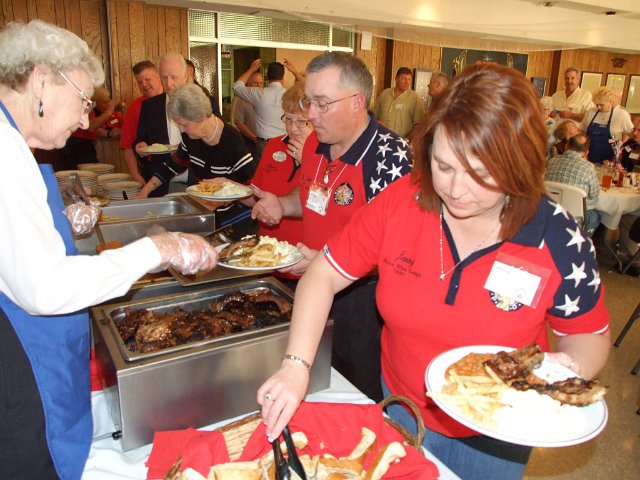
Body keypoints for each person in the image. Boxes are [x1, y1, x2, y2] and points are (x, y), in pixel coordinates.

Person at [257, 64, 610, 480]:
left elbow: (587, 333)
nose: (456, 190)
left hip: (498, 427)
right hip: (402, 406)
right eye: (444, 167)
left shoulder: (557, 236)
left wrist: (568, 367)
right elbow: (323, 274)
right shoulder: (403, 201)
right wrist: (296, 366)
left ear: (519, 164)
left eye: (481, 175)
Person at [0, 20, 218, 480]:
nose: (86, 120)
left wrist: (58, 220)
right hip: (20, 361)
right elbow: (45, 288)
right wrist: (156, 247)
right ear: (41, 80)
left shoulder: (14, 145)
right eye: (83, 101)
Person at [251, 51, 412, 402]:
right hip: (312, 289)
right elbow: (310, 197)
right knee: (316, 385)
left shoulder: (390, 157)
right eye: (309, 102)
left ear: (356, 103)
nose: (311, 114)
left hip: (364, 303)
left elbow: (401, 249)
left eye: (322, 104)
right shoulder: (315, 143)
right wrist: (282, 205)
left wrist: (330, 263)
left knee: (359, 394)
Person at [136, 83, 255, 198]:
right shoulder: (190, 138)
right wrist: (145, 191)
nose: (181, 130)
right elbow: (172, 166)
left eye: (184, 125)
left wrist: (226, 189)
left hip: (231, 210)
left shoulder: (232, 141)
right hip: (204, 206)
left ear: (201, 117)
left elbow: (252, 192)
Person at [134, 53, 221, 196]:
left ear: (185, 76)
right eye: (164, 77)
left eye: (173, 77)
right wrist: (140, 146)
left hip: (197, 180)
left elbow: (217, 140)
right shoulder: (149, 106)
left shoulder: (206, 102)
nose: (169, 83)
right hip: (161, 182)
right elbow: (140, 138)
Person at [233, 59, 304, 158]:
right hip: (284, 141)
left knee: (265, 168)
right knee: (282, 168)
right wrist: (294, 71)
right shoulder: (289, 94)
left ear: (267, 76)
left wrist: (251, 69)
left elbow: (236, 87)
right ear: (282, 77)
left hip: (264, 144)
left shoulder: (258, 94)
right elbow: (308, 87)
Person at [545, 133, 601, 233]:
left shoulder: (552, 162)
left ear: (566, 146)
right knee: (596, 215)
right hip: (574, 220)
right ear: (586, 153)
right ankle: (582, 239)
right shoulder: (588, 168)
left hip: (551, 213)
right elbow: (594, 194)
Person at [119, 60, 163, 185]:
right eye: (140, 82)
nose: (144, 84)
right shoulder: (134, 108)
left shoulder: (173, 99)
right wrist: (135, 175)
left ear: (158, 76)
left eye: (147, 79)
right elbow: (128, 145)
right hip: (151, 170)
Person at [58, 87, 119, 169]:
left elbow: (93, 129)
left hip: (79, 145)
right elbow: (90, 126)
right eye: (104, 102)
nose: (107, 105)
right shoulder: (86, 105)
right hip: (76, 146)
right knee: (91, 172)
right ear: (96, 101)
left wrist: (108, 133)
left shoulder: (90, 107)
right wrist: (108, 112)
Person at [579, 86, 634, 164]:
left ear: (610, 102)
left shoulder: (622, 114)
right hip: (589, 157)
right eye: (596, 104)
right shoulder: (591, 112)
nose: (598, 107)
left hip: (610, 159)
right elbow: (581, 131)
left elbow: (631, 134)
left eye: (601, 105)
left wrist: (621, 144)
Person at [373, 67, 425, 138]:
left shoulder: (415, 98)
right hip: (382, 138)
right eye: (404, 79)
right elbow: (374, 115)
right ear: (396, 78)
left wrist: (407, 139)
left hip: (401, 140)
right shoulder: (384, 94)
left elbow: (419, 124)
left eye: (409, 79)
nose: (407, 82)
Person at [231, 71, 263, 159]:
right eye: (255, 82)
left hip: (263, 142)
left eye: (261, 83)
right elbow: (238, 123)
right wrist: (255, 138)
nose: (259, 85)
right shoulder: (241, 99)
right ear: (248, 84)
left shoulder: (264, 98)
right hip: (248, 141)